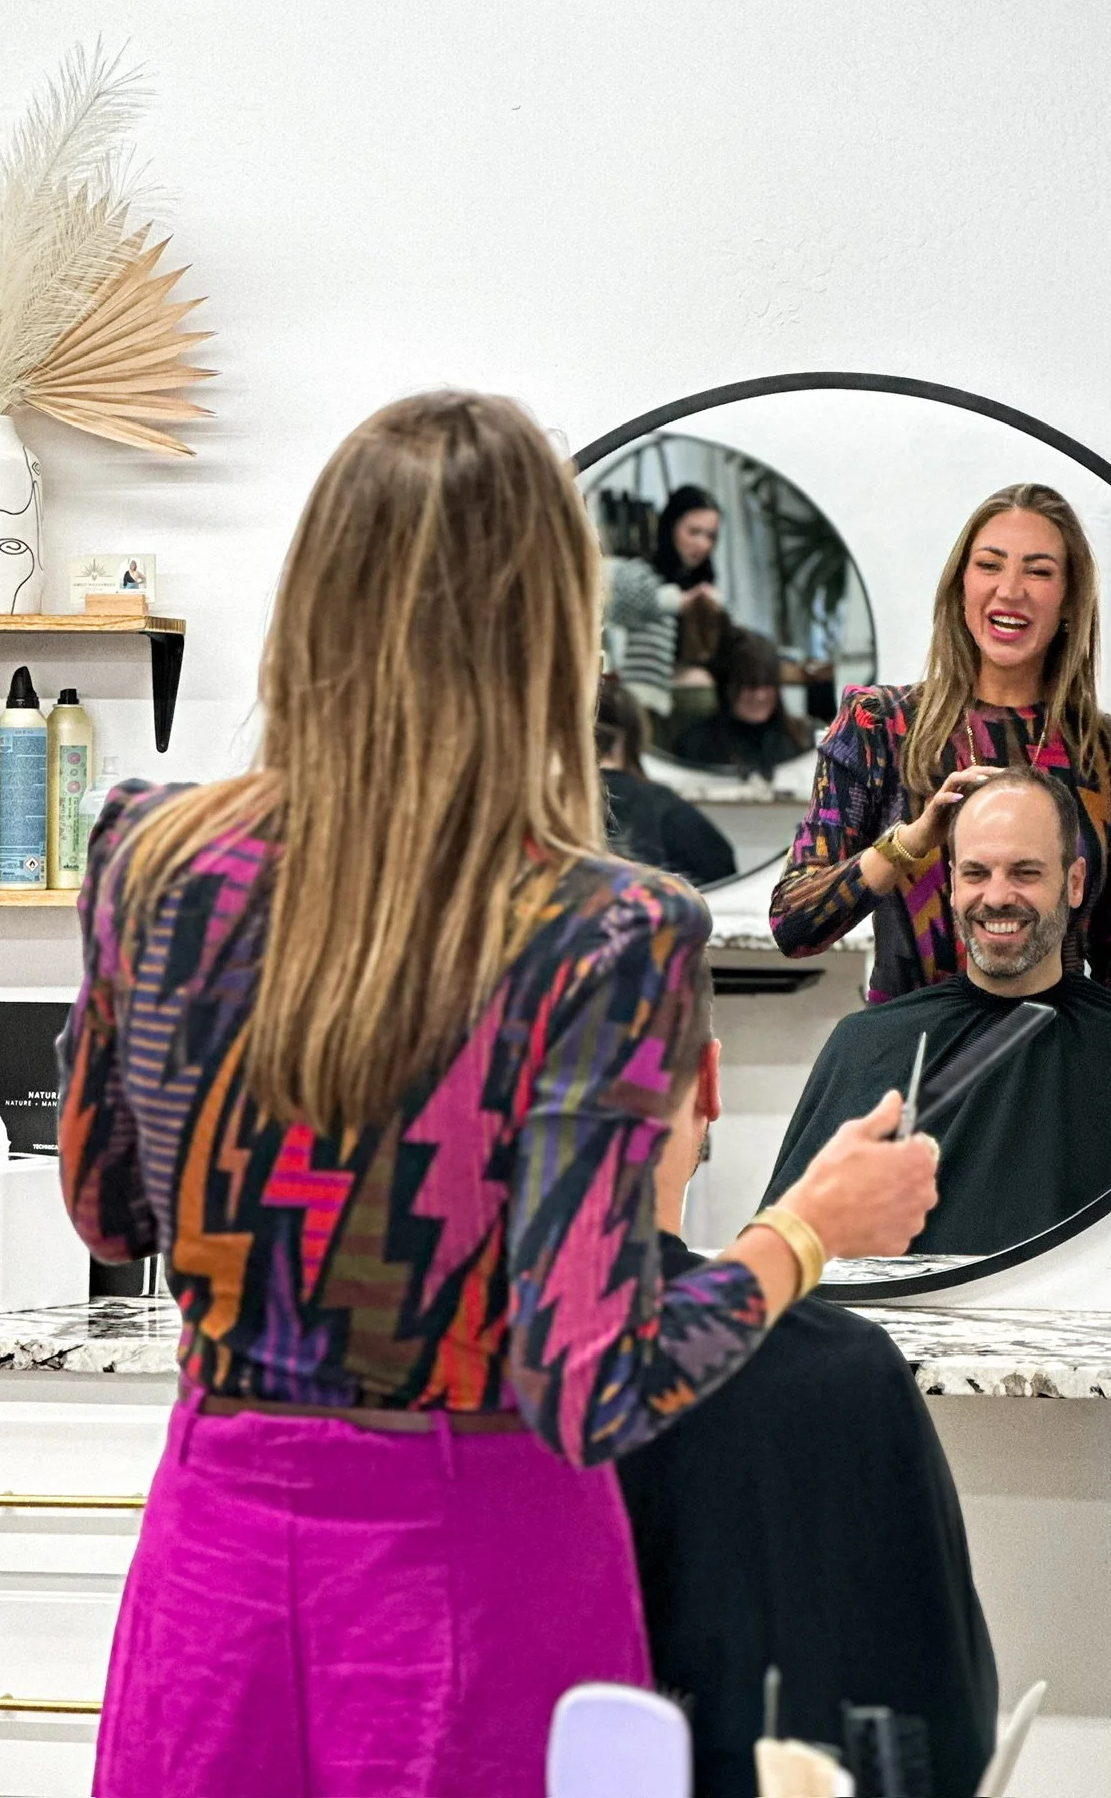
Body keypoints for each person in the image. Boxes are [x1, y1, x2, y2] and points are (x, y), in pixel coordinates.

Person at [55, 391, 939, 1798]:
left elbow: (108, 1205)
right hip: (472, 1577)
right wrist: (810, 1229)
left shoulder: (151, 855)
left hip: (217, 1556)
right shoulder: (600, 930)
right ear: (548, 628)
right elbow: (591, 1382)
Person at [618, 957, 998, 1798]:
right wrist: (806, 1230)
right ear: (707, 1082)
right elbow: (945, 1739)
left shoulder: (428, 1379)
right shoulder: (842, 1373)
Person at [769, 483, 1111, 1003]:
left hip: (1055, 1055)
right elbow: (795, 925)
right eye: (990, 565)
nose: (1011, 590)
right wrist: (910, 842)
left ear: (1069, 598)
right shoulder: (880, 727)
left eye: (1039, 570)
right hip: (910, 1058)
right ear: (960, 586)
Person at [764, 769, 1111, 1254]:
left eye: (1026, 872)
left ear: (1075, 882)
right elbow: (784, 1263)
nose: (997, 897)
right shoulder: (867, 1045)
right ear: (952, 884)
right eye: (977, 873)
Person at [605, 483, 727, 746]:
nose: (702, 544)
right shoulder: (640, 576)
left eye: (711, 536)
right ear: (671, 525)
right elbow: (624, 601)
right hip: (639, 706)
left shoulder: (704, 586)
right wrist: (681, 601)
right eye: (694, 532)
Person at [598, 673, 738, 886]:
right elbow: (721, 869)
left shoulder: (551, 801)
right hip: (641, 915)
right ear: (632, 736)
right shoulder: (658, 803)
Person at [673, 628, 814, 777]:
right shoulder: (694, 745)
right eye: (750, 686)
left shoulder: (803, 739)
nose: (760, 696)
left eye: (768, 684)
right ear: (727, 687)